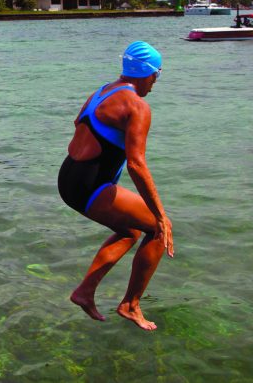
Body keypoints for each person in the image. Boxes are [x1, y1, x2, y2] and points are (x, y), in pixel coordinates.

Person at [58, 41, 174, 332]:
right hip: (90, 186)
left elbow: (78, 124)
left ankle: (85, 292)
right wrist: (160, 213)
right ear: (147, 73)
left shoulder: (102, 91)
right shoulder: (137, 106)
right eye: (156, 75)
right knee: (158, 229)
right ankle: (130, 305)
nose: (155, 83)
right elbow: (137, 164)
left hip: (69, 176)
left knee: (131, 230)